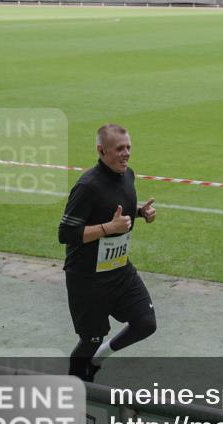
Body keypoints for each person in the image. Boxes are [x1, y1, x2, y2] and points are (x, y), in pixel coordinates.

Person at [58, 124, 157, 381]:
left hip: (119, 270)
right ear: (101, 150)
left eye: (128, 147)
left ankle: (98, 359)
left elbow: (115, 208)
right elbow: (66, 233)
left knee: (146, 322)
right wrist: (108, 228)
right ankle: (76, 387)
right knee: (90, 339)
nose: (126, 154)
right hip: (87, 279)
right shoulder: (87, 186)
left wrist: (139, 213)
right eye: (119, 149)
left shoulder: (128, 175)